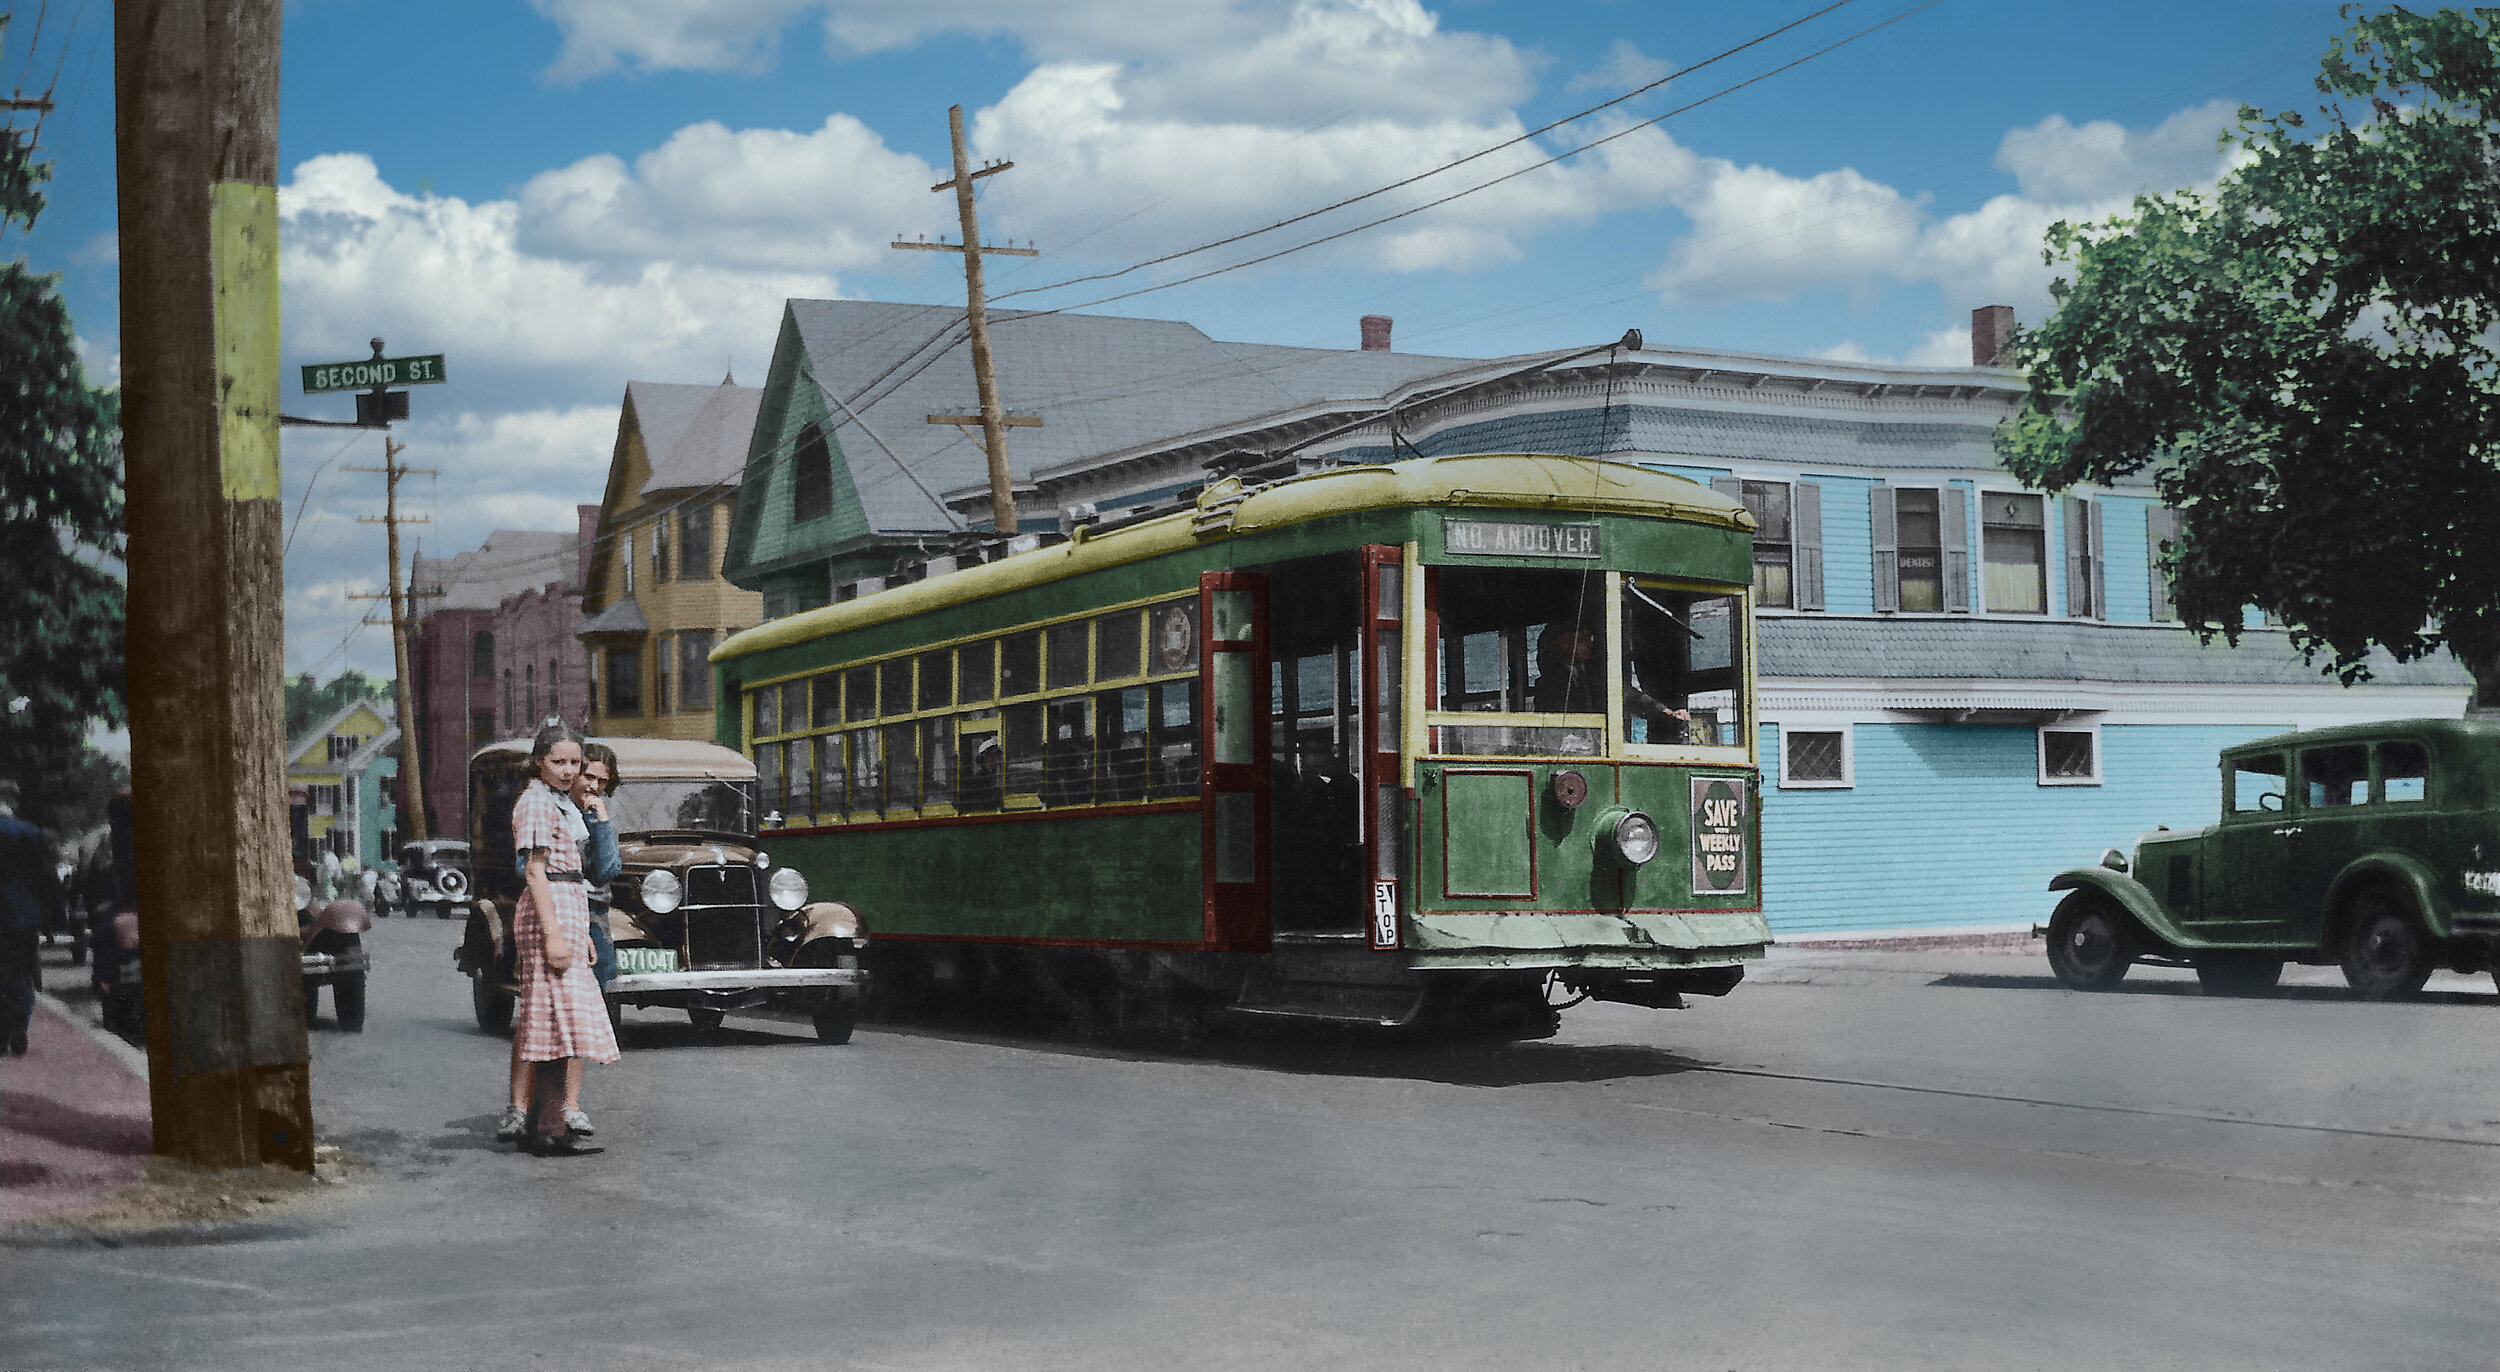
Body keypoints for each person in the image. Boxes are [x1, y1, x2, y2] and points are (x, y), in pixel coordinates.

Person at [499, 724, 618, 1155]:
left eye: (574, 762)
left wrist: (581, 932)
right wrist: (552, 936)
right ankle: (549, 1129)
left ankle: (550, 1125)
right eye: (558, 762)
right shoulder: (534, 803)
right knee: (552, 1020)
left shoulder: (560, 803)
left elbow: (583, 875)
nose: (568, 771)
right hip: (549, 914)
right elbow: (535, 872)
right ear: (538, 762)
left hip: (570, 910)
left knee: (562, 1023)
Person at [0, 779, 57, 1057]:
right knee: (22, 973)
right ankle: (18, 1024)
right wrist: (53, 919)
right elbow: (46, 880)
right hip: (21, 918)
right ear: (14, 801)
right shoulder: (29, 833)